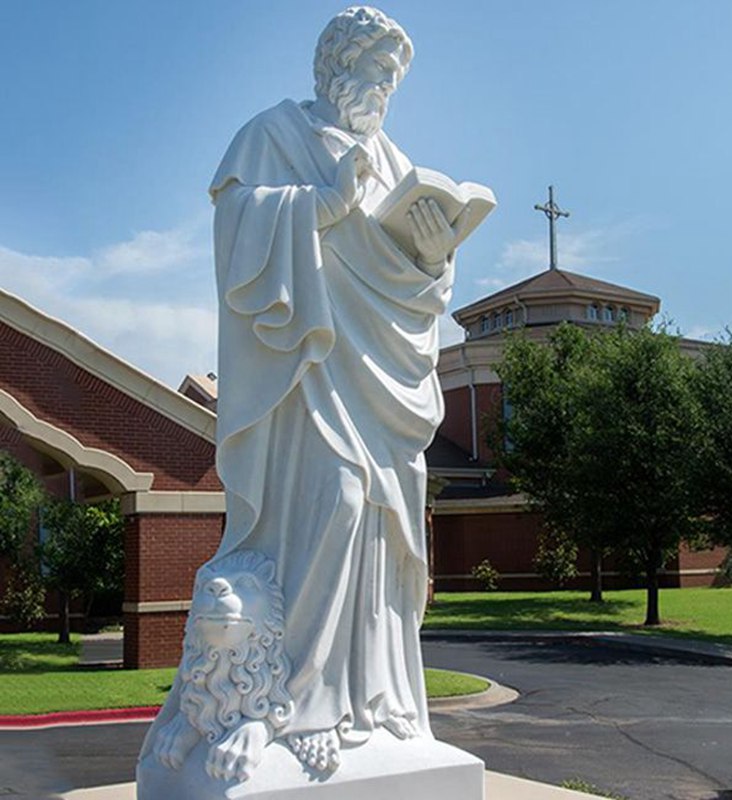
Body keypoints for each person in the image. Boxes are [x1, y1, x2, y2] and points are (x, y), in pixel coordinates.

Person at [144, 6, 460, 778]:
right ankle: (296, 703)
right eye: (374, 71)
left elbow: (419, 289)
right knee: (342, 501)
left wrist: (432, 257)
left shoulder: (394, 161)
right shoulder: (275, 135)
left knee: (384, 526)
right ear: (336, 66)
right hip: (306, 374)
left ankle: (369, 701)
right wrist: (319, 205)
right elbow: (237, 228)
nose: (383, 89)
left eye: (394, 78)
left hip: (376, 381)